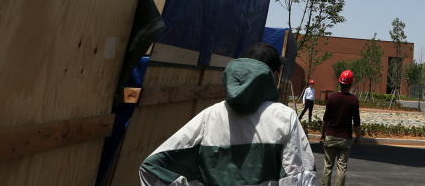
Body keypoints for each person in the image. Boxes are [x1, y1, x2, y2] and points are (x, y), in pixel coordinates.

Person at [139, 42, 316, 186]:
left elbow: (152, 167)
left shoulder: (210, 115)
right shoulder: (285, 117)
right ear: (274, 75)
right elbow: (301, 177)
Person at [320, 70, 361, 186]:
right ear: (351, 85)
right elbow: (356, 121)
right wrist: (358, 136)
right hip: (345, 139)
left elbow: (325, 119)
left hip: (331, 136)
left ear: (340, 83)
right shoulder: (354, 100)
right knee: (341, 168)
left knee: (328, 166)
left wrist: (322, 134)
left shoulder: (332, 98)